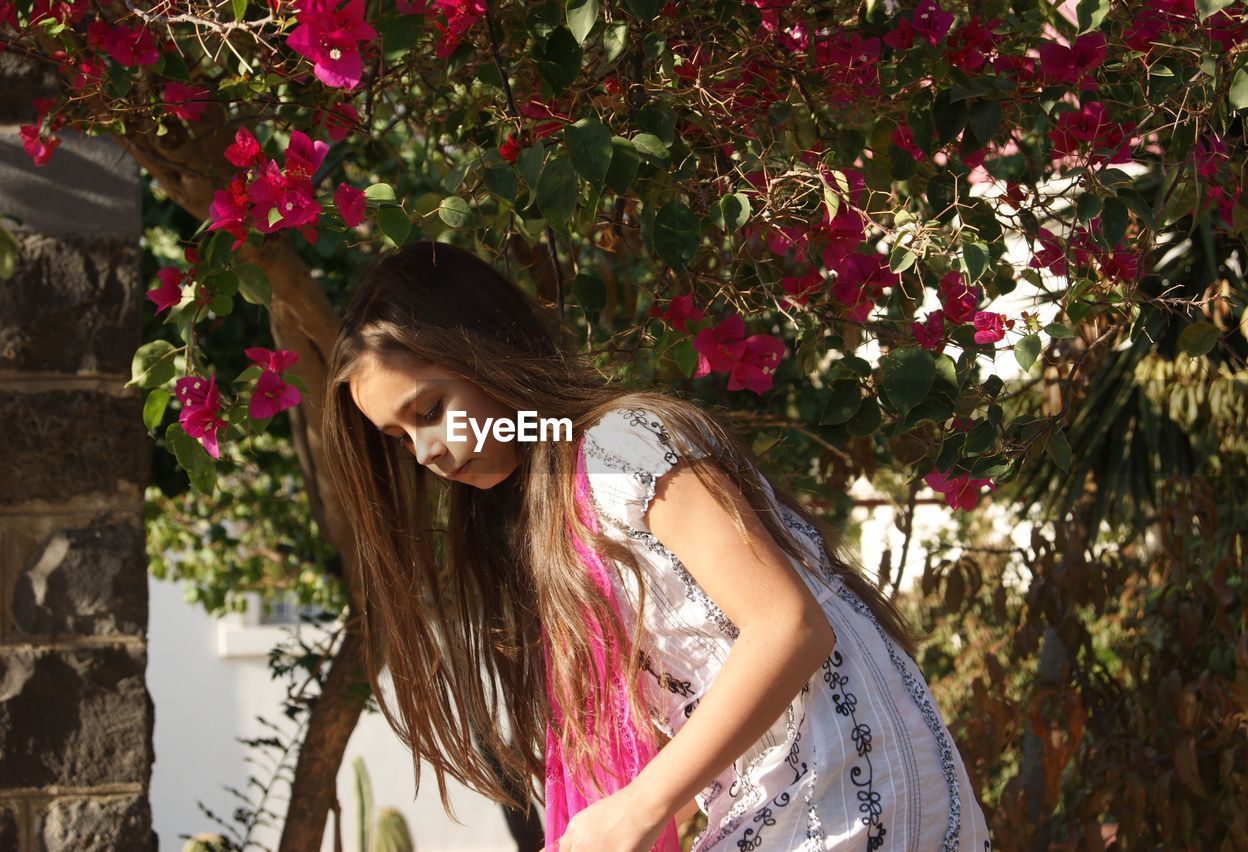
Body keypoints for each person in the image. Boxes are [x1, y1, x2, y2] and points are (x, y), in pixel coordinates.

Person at [321, 239, 993, 852]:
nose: (426, 452)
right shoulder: (557, 500)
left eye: (429, 409)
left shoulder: (622, 446)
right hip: (808, 795)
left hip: (853, 790)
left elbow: (788, 626)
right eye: (399, 438)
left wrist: (641, 806)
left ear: (485, 351)